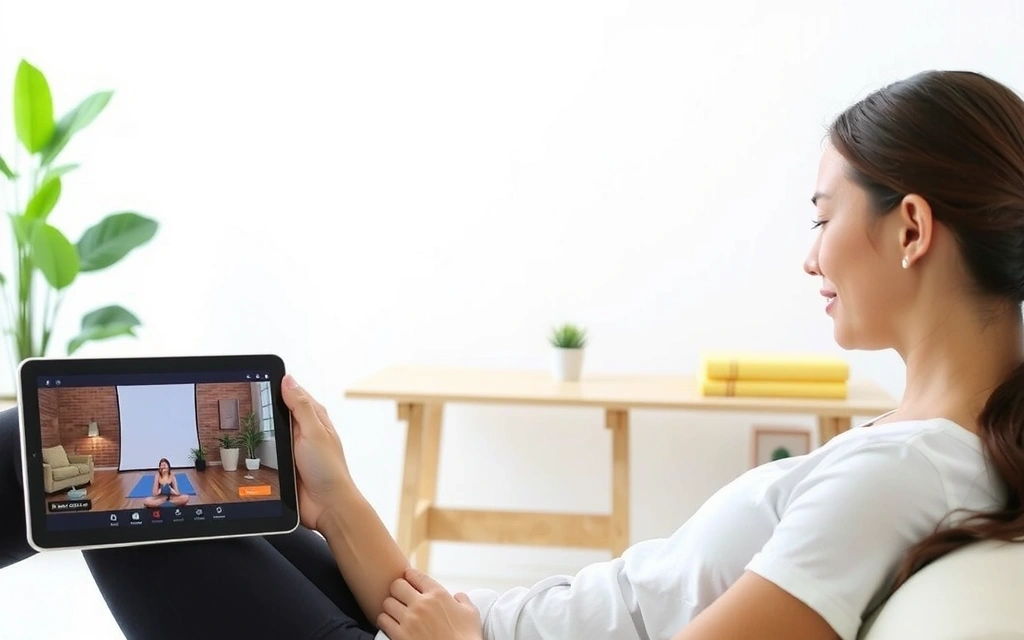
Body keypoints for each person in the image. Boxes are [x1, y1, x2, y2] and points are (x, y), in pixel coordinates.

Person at [3, 68, 1024, 640]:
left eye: (822, 213)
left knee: (97, 468)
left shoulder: (900, 470)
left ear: (911, 227)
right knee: (132, 462)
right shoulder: (918, 450)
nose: (809, 254)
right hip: (483, 628)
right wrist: (342, 503)